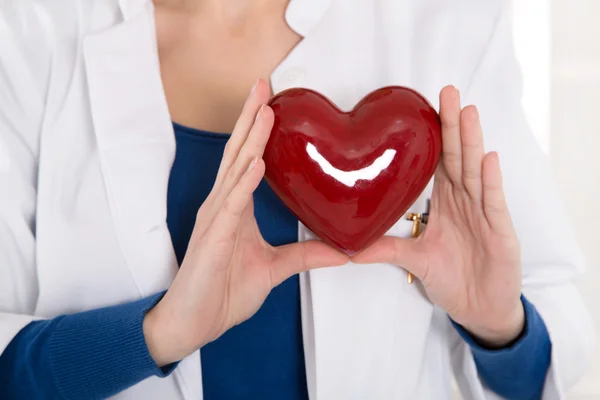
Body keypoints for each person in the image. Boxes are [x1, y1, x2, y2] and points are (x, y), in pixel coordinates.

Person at [0, 0, 595, 398]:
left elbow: (552, 355)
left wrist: (496, 327)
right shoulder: (31, 31)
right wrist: (158, 332)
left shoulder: (447, 20)